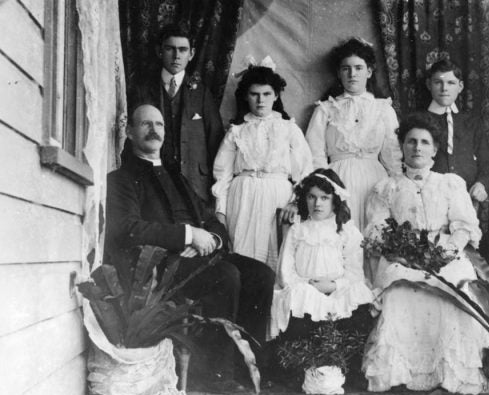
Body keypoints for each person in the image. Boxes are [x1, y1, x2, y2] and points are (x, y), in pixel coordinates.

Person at [105, 104, 275, 389]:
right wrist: (187, 235)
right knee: (225, 276)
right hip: (162, 264)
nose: (154, 130)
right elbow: (128, 229)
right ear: (130, 132)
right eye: (145, 124)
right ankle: (213, 374)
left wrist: (209, 241)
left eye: (159, 125)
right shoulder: (121, 179)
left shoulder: (176, 177)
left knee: (261, 274)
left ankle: (247, 369)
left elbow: (212, 222)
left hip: (198, 255)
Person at [361, 113, 489, 394]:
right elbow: (378, 229)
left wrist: (445, 252)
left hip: (444, 253)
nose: (417, 148)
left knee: (456, 285)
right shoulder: (387, 188)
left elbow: (463, 226)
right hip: (402, 255)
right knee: (398, 287)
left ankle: (450, 372)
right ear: (402, 147)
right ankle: (402, 373)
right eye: (411, 142)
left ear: (435, 149)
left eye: (424, 142)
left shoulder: (450, 183)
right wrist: (402, 254)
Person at [212, 59, 313, 269]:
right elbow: (222, 175)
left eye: (266, 94)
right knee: (241, 255)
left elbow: (305, 171)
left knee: (276, 258)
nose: (260, 100)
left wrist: (295, 202)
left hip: (277, 198)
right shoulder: (236, 131)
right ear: (246, 96)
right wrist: (220, 212)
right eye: (254, 94)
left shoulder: (289, 129)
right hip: (243, 197)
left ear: (276, 96)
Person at [305, 37, 403, 235]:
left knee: (375, 236)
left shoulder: (383, 109)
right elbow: (314, 154)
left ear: (369, 71)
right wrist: (326, 188)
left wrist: (395, 188)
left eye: (358, 68)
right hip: (338, 182)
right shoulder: (325, 109)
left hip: (375, 182)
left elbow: (393, 157)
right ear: (339, 73)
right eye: (346, 68)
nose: (352, 74)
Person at [268, 169, 374, 343]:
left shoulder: (347, 231)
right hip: (305, 289)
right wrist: (308, 286)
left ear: (335, 201)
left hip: (337, 290)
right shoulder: (297, 230)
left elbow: (355, 274)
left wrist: (332, 286)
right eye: (312, 197)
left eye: (324, 198)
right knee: (299, 303)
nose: (317, 204)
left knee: (357, 300)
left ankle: (341, 364)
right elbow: (285, 272)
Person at [127, 24, 224, 202]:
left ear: (192, 54)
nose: (176, 56)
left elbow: (215, 141)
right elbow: (130, 137)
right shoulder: (143, 89)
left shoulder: (202, 93)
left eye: (183, 50)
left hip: (194, 183)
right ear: (159, 51)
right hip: (153, 181)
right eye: (170, 49)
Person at [425, 59, 489, 204]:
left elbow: (487, 164)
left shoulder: (472, 122)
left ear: (460, 86)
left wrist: (482, 184)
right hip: (430, 198)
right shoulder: (420, 120)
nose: (444, 88)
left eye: (451, 83)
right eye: (438, 82)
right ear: (429, 85)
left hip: (466, 198)